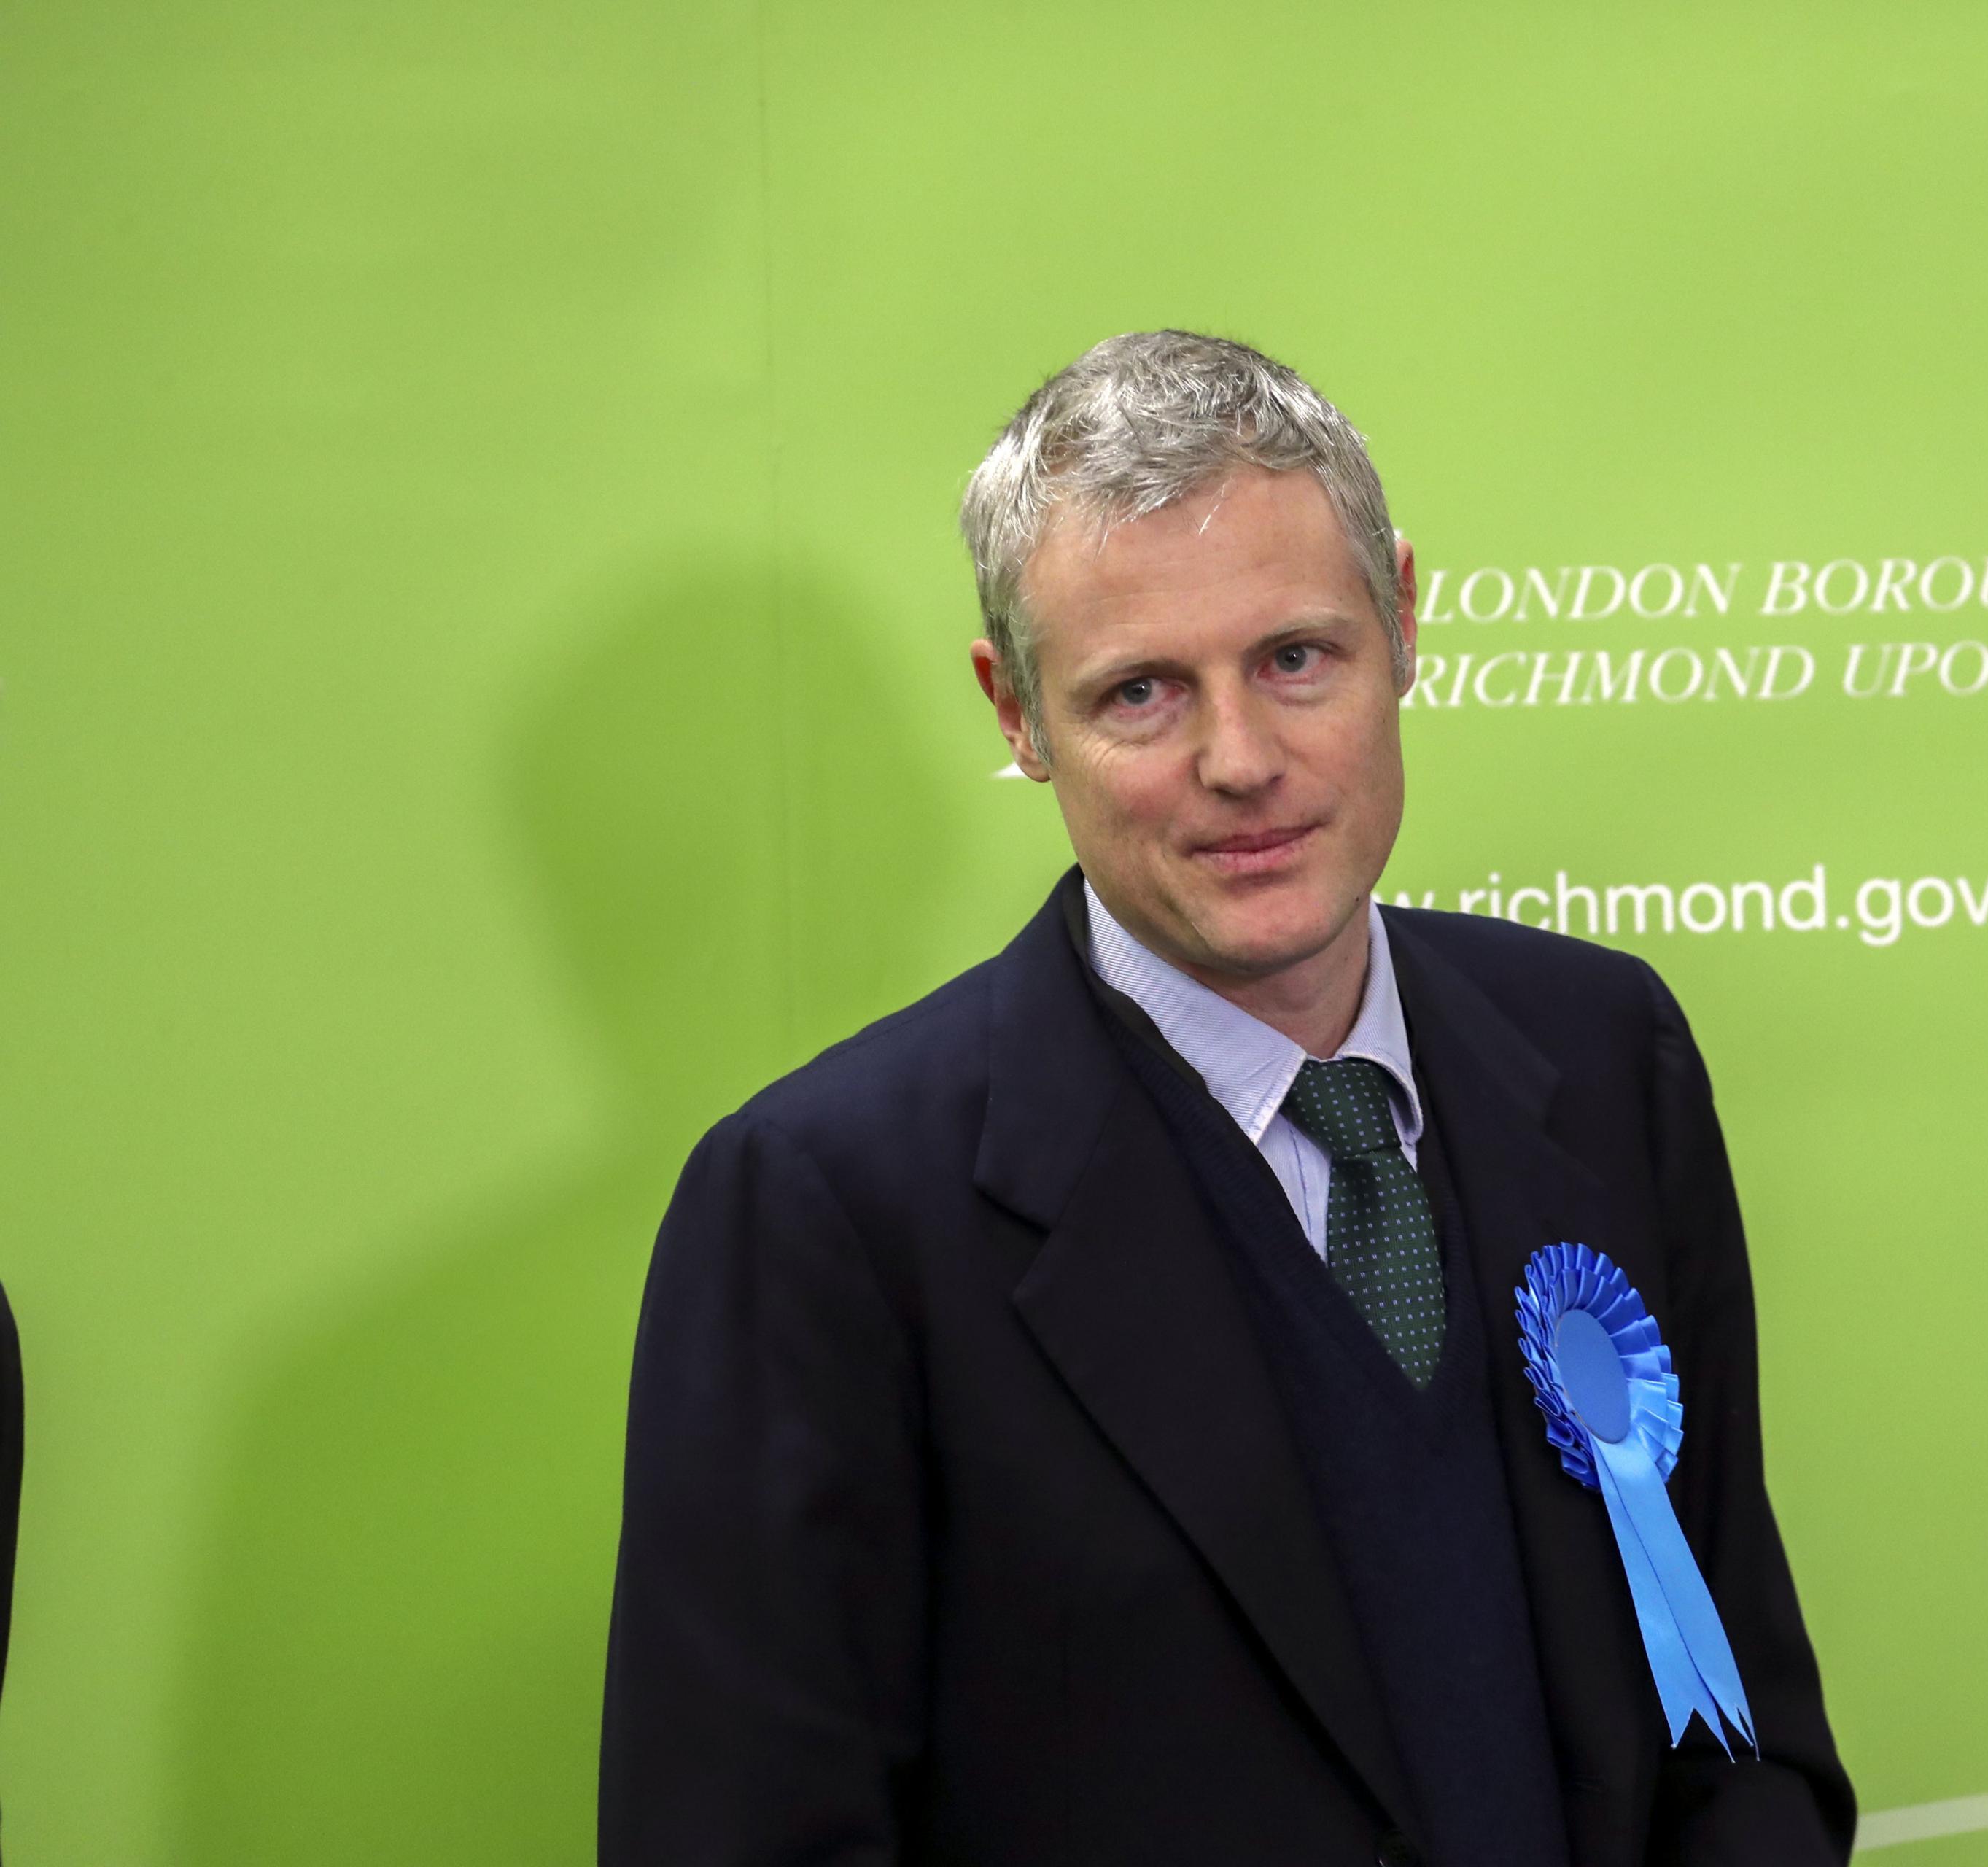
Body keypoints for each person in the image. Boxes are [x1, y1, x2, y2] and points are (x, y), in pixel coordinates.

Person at [599, 331, 1852, 1866]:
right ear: (1017, 715)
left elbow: (1732, 1726)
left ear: (1402, 619)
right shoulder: (827, 1207)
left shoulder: (1605, 1055)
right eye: (1139, 692)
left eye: (1295, 657)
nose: (1241, 759)